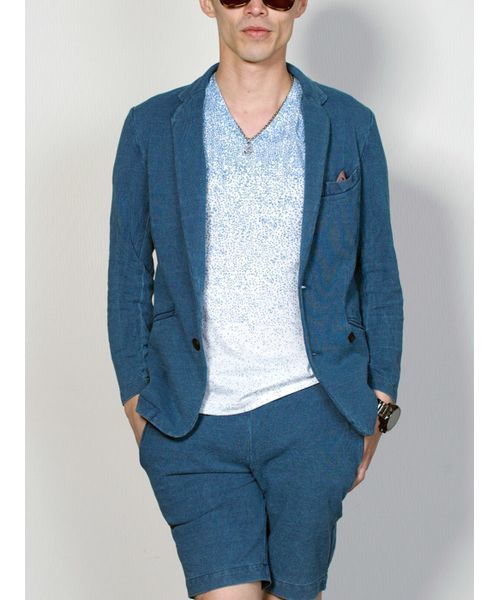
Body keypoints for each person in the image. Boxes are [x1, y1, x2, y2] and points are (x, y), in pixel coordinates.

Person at [107, 1, 404, 598]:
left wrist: (377, 410)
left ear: (301, 5)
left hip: (313, 415)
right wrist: (139, 405)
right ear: (208, 3)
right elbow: (127, 277)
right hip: (191, 426)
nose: (257, 8)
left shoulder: (350, 124)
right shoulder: (152, 126)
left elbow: (378, 273)